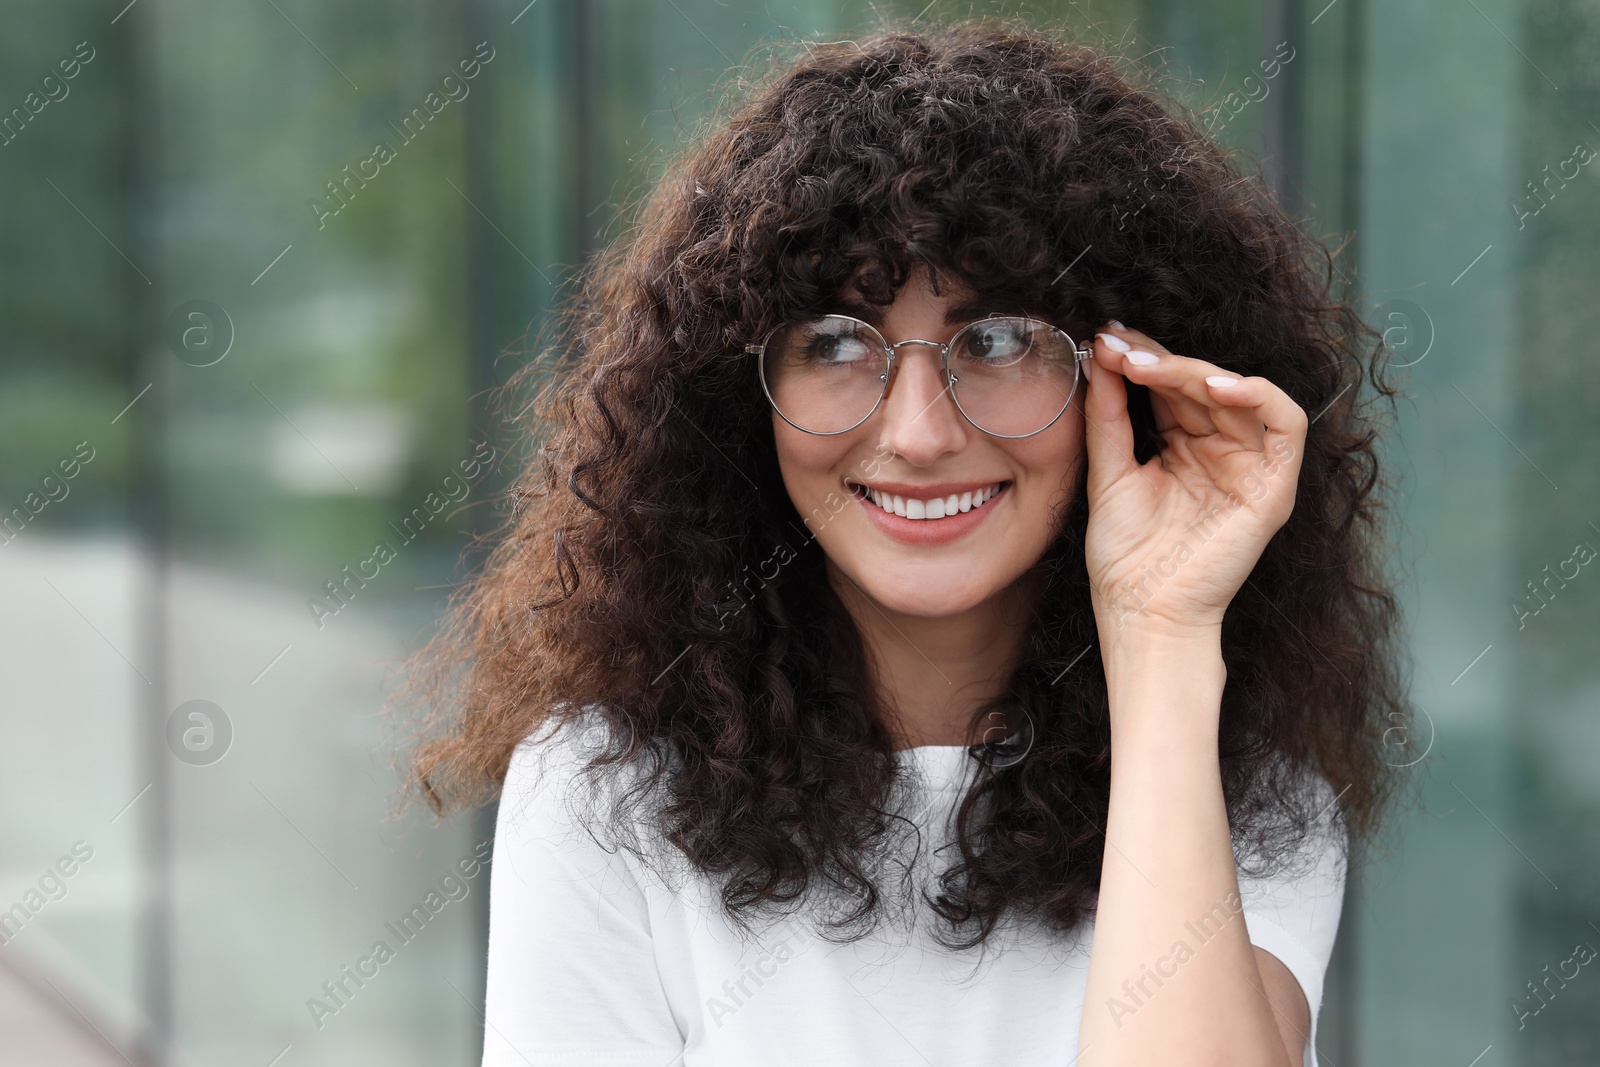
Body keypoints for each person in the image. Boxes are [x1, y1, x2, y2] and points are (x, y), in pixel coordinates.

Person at [394, 17, 1406, 1067]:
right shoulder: (604, 792)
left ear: (1124, 377)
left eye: (1001, 338)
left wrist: (1160, 625)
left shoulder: (1239, 794)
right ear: (742, 397)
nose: (917, 432)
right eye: (836, 342)